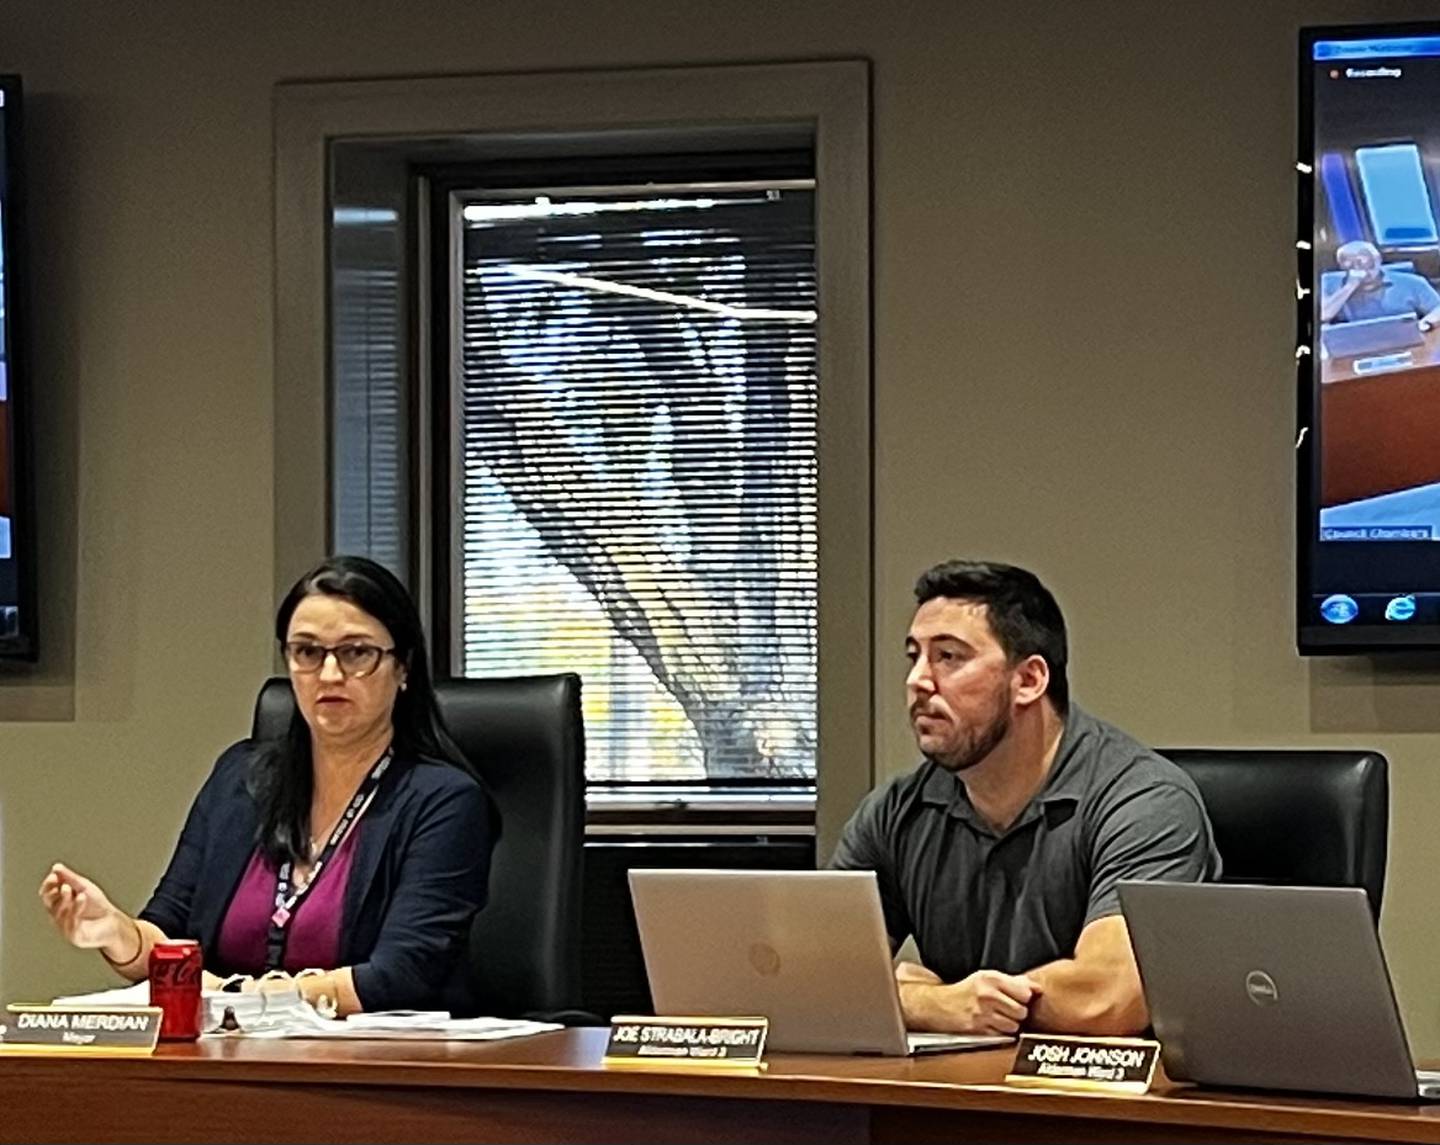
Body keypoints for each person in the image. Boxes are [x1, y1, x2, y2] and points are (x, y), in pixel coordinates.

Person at [39, 555, 496, 1017]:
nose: (330, 674)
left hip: (377, 1070)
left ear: (403, 668)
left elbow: (401, 976)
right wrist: (115, 933)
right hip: (230, 1060)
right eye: (308, 652)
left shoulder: (444, 802)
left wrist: (244, 998)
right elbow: (170, 938)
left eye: (357, 653)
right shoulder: (243, 779)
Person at [831, 560, 1219, 1037]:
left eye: (949, 657)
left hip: (1105, 1104)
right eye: (914, 656)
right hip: (955, 1093)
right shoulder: (896, 811)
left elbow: (1110, 998)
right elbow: (815, 978)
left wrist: (936, 999)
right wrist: (933, 1003)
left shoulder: (1143, 802)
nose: (917, 680)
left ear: (1030, 680)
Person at [1320, 240, 1440, 329]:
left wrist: (1426, 323)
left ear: (1378, 260)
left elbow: (1437, 309)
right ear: (1342, 266)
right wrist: (1350, 286)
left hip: (1406, 339)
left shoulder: (1413, 282)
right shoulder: (1331, 284)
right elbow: (1323, 315)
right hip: (1355, 344)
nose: (1360, 268)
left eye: (1367, 262)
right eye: (1351, 264)